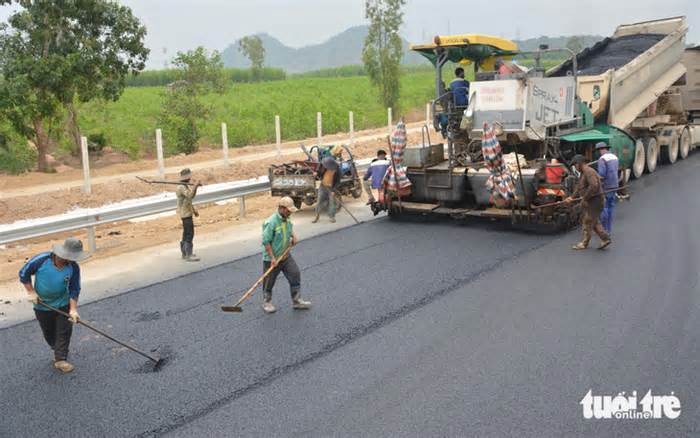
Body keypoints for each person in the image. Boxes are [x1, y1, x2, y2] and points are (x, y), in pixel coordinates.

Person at [19, 238, 90, 373]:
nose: (70, 260)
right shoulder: (41, 260)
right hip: (42, 305)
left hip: (63, 303)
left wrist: (73, 309)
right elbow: (23, 274)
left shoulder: (73, 267)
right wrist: (31, 292)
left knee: (64, 331)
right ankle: (56, 348)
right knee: (49, 332)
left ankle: (60, 358)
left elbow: (75, 288)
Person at [261, 197, 311, 314]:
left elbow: (289, 227)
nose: (290, 213)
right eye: (288, 210)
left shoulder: (286, 218)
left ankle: (297, 301)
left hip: (285, 255)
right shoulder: (271, 222)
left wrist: (293, 236)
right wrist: (272, 258)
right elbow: (266, 242)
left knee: (295, 274)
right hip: (272, 258)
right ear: (282, 209)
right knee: (269, 281)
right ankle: (266, 302)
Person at [565, 155, 611, 250]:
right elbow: (579, 187)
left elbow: (594, 185)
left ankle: (584, 243)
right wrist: (571, 197)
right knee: (594, 222)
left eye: (575, 165)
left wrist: (585, 198)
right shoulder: (583, 173)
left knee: (587, 221)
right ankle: (605, 239)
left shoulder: (588, 171)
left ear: (580, 163)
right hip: (591, 202)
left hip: (595, 202)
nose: (575, 167)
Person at [176, 168, 202, 261]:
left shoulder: (185, 186)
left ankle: (185, 253)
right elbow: (190, 195)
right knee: (189, 233)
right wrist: (195, 186)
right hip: (185, 214)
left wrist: (194, 209)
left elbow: (188, 200)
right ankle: (188, 254)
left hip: (187, 212)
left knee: (186, 233)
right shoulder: (181, 187)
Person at [595, 142, 619, 234]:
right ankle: (608, 229)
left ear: (600, 150)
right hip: (615, 185)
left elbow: (602, 174)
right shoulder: (615, 157)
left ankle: (604, 229)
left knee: (603, 207)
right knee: (610, 207)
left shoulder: (602, 159)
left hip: (606, 186)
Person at [312, 156, 340, 223]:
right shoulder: (324, 168)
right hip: (323, 186)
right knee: (319, 201)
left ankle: (332, 217)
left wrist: (333, 190)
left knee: (332, 203)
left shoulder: (337, 170)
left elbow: (338, 182)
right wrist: (316, 174)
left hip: (331, 188)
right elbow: (318, 173)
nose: (324, 166)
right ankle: (317, 216)